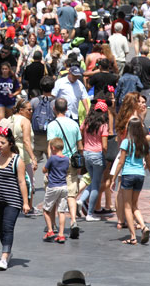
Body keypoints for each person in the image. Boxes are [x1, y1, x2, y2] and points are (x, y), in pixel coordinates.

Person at [0, 126, 30, 270]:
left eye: (3, 143)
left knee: (8, 228)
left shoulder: (17, 161)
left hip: (13, 200)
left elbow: (21, 182)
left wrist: (25, 202)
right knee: (1, 228)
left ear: (10, 144)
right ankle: (7, 250)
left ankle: (4, 257)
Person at [112, 117, 150, 245]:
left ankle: (132, 236)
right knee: (135, 205)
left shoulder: (126, 142)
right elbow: (149, 162)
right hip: (140, 176)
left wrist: (114, 178)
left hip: (128, 175)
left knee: (127, 206)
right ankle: (143, 226)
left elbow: (121, 161)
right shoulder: (144, 144)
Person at [46, 98, 83, 240]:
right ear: (67, 109)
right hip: (72, 162)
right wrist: (80, 163)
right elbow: (80, 146)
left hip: (57, 163)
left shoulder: (52, 125)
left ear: (54, 109)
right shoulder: (74, 124)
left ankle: (54, 225)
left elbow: (50, 147)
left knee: (55, 194)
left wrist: (49, 166)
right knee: (71, 194)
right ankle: (73, 220)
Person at [77, 101, 112, 222]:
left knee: (93, 181)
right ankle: (90, 213)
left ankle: (81, 200)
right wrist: (105, 155)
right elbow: (105, 145)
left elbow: (80, 133)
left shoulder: (86, 122)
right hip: (97, 154)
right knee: (96, 184)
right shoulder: (103, 125)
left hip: (86, 153)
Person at [42, 137, 70, 243]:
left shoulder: (52, 159)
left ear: (53, 147)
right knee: (61, 211)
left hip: (53, 186)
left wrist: (46, 171)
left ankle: (50, 230)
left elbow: (45, 169)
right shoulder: (67, 159)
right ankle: (61, 234)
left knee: (46, 210)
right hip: (64, 187)